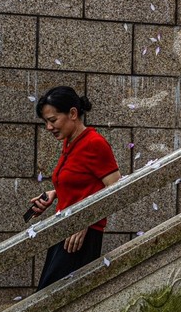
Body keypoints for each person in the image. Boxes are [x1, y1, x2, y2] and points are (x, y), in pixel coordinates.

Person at [28, 86, 120, 289]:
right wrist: (54, 194)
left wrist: (84, 220)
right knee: (48, 295)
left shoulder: (94, 143)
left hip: (80, 237)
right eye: (46, 122)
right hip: (64, 227)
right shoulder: (70, 142)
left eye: (53, 120)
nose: (49, 127)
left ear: (72, 113)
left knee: (52, 298)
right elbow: (84, 182)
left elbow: (116, 188)